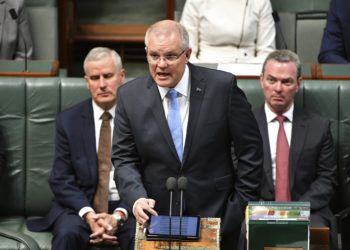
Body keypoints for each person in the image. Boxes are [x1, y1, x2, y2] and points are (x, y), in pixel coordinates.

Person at [111, 20, 263, 250]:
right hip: (156, 218)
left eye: (170, 56)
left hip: (217, 215)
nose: (161, 65)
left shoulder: (222, 87)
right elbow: (123, 159)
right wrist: (136, 198)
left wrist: (238, 205)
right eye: (154, 56)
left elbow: (250, 149)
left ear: (188, 54)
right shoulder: (129, 96)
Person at [27, 47, 134, 250]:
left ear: (121, 76)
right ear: (86, 82)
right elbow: (60, 178)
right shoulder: (69, 120)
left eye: (108, 76)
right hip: (81, 206)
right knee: (68, 233)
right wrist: (88, 214)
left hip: (126, 206)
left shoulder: (138, 119)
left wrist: (119, 215)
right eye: (94, 78)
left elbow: (146, 175)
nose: (102, 84)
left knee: (139, 237)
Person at [255, 49, 337, 247]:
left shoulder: (319, 127)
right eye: (272, 80)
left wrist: (294, 211)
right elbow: (236, 176)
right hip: (258, 208)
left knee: (318, 233)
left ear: (298, 84)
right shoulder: (245, 125)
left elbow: (327, 179)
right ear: (261, 80)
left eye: (286, 81)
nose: (278, 88)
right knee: (243, 230)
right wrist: (260, 210)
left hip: (308, 209)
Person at [180, 0, 275, 64]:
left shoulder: (261, 2)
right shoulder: (195, 2)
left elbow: (266, 53)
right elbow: (187, 52)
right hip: (206, 68)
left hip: (248, 69)